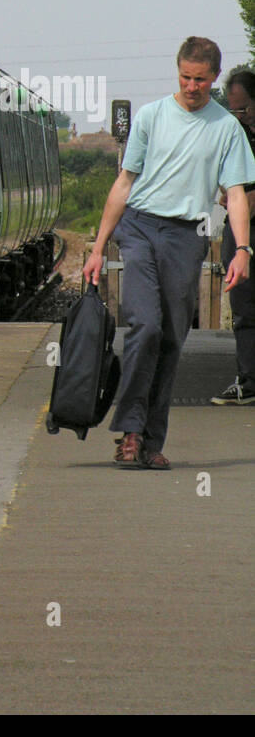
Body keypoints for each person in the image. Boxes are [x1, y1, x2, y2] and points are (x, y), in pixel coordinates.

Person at [82, 37, 255, 469]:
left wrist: (243, 250)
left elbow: (235, 194)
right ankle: (131, 430)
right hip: (139, 227)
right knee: (146, 326)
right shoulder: (151, 117)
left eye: (199, 79)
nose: (191, 86)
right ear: (177, 72)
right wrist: (99, 247)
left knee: (172, 338)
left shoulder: (227, 129)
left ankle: (152, 442)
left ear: (214, 77)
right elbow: (124, 184)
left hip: (188, 236)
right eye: (184, 77)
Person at [211, 68, 255, 403]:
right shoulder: (232, 131)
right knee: (242, 304)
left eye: (244, 109)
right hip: (241, 228)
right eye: (234, 109)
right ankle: (248, 380)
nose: (238, 116)